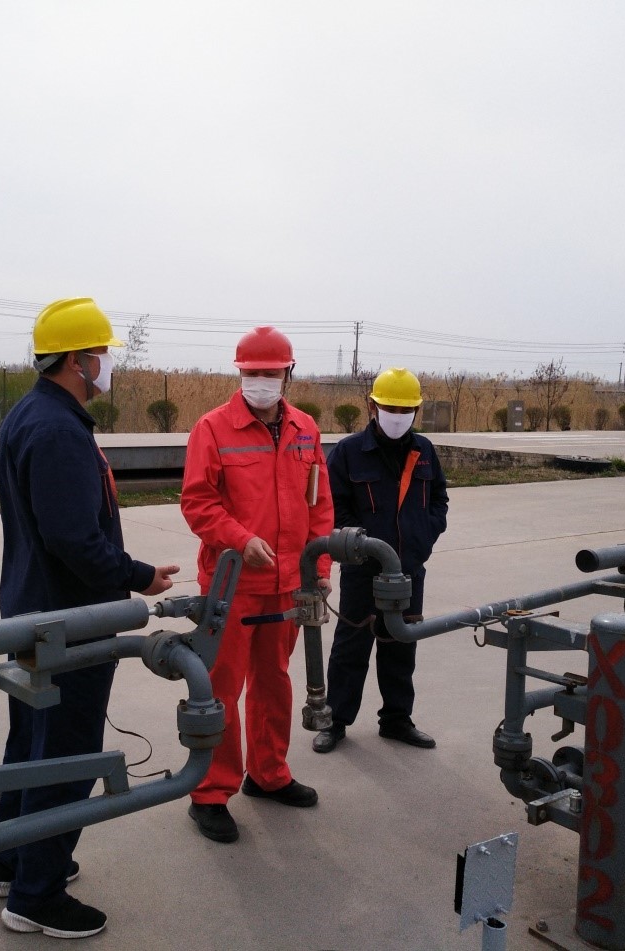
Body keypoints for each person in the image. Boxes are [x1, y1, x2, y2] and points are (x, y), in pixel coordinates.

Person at [0, 298, 179, 938]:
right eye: (101, 354)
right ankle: (36, 896)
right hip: (68, 621)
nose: (107, 365)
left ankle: (11, 862)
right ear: (76, 360)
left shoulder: (29, 414)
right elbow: (74, 539)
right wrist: (138, 576)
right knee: (66, 754)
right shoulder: (60, 431)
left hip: (32, 611)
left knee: (29, 746)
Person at [180, 326, 334, 843]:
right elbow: (197, 502)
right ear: (240, 373)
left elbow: (319, 505)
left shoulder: (305, 430)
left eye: (271, 372)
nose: (262, 380)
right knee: (220, 687)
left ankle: (268, 774)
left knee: (274, 681)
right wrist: (240, 539)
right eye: (253, 372)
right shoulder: (213, 428)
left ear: (289, 373)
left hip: (287, 584)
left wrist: (319, 569)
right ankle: (209, 792)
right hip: (232, 586)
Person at [313, 367, 448, 754]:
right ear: (372, 407)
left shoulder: (424, 452)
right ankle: (336, 721)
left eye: (406, 410)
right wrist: (362, 546)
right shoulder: (349, 452)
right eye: (390, 408)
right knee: (350, 648)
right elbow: (334, 507)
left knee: (401, 645)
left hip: (409, 572)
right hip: (363, 572)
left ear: (416, 411)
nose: (397, 416)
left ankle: (396, 719)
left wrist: (423, 538)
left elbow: (439, 501)